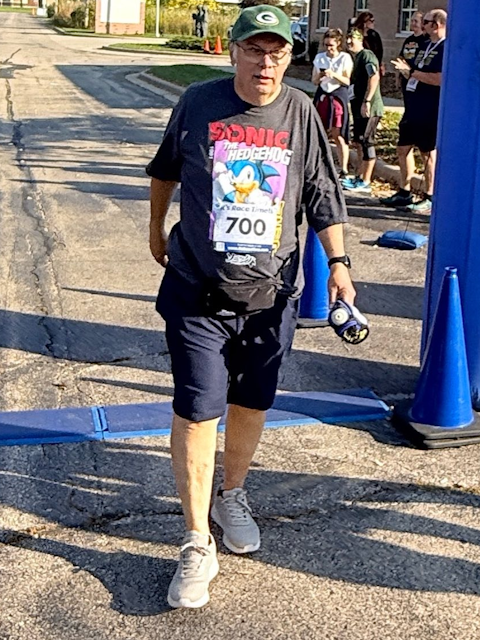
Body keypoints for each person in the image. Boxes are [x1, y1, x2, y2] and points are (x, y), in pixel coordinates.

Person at [146, 3, 356, 610]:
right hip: (198, 287)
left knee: (252, 402)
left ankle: (231, 494)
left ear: (290, 57)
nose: (266, 63)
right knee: (198, 407)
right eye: (255, 50)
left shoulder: (299, 111)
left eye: (278, 52)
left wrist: (339, 264)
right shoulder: (199, 103)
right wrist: (156, 229)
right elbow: (166, 170)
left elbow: (321, 191)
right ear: (234, 51)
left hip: (270, 295)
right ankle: (195, 541)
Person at [382, 9, 447, 213]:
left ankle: (429, 195)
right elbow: (414, 70)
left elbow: (439, 78)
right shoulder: (425, 45)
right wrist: (404, 72)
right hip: (412, 105)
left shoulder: (445, 47)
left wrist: (412, 73)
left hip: (430, 107)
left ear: (437, 24)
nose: (422, 26)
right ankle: (405, 191)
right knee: (403, 148)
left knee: (427, 152)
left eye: (426, 22)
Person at [341, 28, 384, 194]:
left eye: (352, 39)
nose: (349, 42)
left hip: (370, 108)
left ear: (360, 40)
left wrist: (367, 100)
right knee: (358, 142)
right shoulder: (356, 57)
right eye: (348, 39)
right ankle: (359, 176)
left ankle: (366, 181)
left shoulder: (367, 55)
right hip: (357, 106)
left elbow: (374, 76)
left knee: (367, 142)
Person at [312, 29, 353, 179]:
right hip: (323, 94)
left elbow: (347, 81)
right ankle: (318, 165)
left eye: (331, 45)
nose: (328, 48)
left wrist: (334, 74)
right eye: (326, 45)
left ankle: (343, 168)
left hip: (337, 95)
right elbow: (314, 81)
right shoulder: (320, 58)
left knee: (338, 133)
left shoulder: (344, 58)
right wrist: (321, 75)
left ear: (338, 44)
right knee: (320, 131)